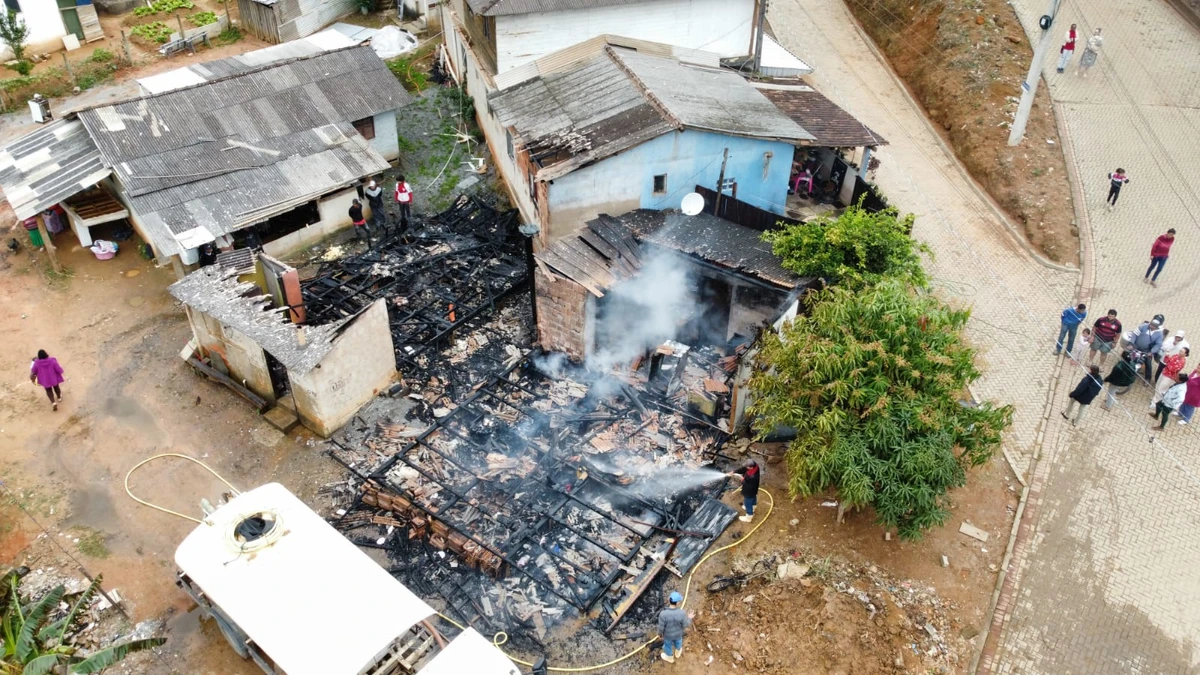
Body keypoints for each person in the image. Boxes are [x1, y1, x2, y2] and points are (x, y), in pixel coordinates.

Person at [657, 591, 693, 663]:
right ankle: (677, 653)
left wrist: (660, 634)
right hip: (678, 634)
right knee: (678, 642)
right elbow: (685, 624)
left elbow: (661, 627)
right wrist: (689, 618)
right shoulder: (682, 613)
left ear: (669, 599)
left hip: (668, 636)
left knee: (667, 646)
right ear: (678, 602)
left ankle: (670, 657)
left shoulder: (663, 614)